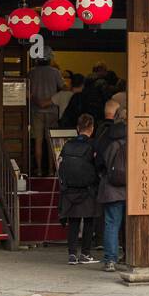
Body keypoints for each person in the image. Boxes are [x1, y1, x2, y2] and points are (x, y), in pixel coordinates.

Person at [57, 113, 100, 265]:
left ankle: (72, 254)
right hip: (88, 189)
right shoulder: (93, 145)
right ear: (92, 128)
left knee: (73, 222)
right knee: (89, 221)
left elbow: (60, 164)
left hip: (70, 189)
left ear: (77, 128)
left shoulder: (67, 144)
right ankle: (86, 253)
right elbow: (99, 165)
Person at [96, 103, 128, 273]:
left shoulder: (106, 135)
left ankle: (110, 260)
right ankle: (132, 256)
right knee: (131, 224)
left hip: (111, 187)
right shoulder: (136, 136)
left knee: (111, 223)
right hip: (133, 188)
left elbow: (99, 160)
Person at [28, 54, 65, 172]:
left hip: (36, 109)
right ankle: (51, 170)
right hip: (52, 109)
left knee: (38, 141)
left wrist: (36, 100)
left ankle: (38, 169)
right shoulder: (55, 72)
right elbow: (63, 87)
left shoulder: (31, 72)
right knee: (50, 141)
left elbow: (27, 90)